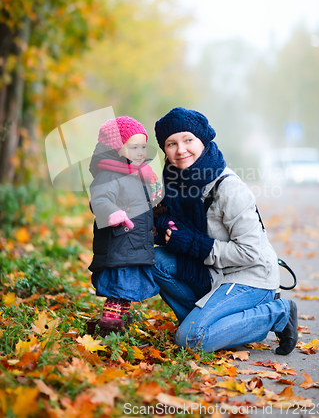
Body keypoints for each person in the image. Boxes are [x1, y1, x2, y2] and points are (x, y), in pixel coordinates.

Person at [153, 107, 298, 355]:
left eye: (188, 140)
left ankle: (277, 312)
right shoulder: (173, 182)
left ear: (203, 141)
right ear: (164, 149)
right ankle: (212, 324)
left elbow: (250, 251)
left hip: (250, 276)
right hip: (213, 273)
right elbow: (167, 224)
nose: (180, 150)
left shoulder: (228, 187)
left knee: (190, 341)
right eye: (171, 143)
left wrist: (190, 243)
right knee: (153, 260)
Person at [88, 116, 161, 333]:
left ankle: (123, 322)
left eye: (143, 147)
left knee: (129, 287)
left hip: (136, 241)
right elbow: (99, 199)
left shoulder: (140, 174)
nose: (140, 152)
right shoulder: (108, 174)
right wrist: (112, 213)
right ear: (115, 149)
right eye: (133, 147)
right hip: (119, 241)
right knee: (119, 285)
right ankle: (109, 326)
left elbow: (146, 203)